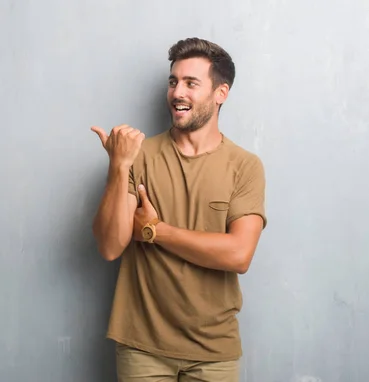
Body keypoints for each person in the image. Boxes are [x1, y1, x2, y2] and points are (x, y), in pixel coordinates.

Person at [90, 37, 267, 382]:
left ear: (221, 93)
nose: (177, 92)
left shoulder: (245, 166)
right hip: (142, 347)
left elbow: (238, 255)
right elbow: (110, 246)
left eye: (191, 83)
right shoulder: (138, 155)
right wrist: (118, 166)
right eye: (173, 82)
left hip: (215, 352)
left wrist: (155, 230)